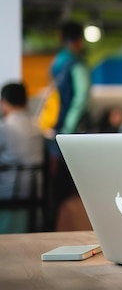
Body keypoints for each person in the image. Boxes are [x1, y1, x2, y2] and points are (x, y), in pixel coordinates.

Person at [44, 21, 91, 230]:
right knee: (70, 189)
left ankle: (52, 227)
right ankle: (66, 229)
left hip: (54, 131)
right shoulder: (77, 64)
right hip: (69, 134)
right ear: (79, 40)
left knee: (56, 187)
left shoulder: (57, 62)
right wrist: (69, 129)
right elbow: (81, 98)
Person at [0, 82, 44, 233]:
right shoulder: (36, 127)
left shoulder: (6, 128)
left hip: (10, 193)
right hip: (34, 191)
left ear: (4, 102)